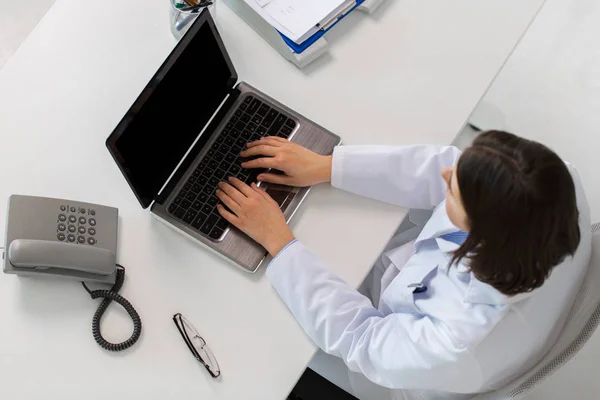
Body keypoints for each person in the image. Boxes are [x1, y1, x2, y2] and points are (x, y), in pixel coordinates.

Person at [215, 130, 592, 400]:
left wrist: (279, 244)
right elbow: (447, 167)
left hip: (390, 371)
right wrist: (329, 167)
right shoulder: (555, 185)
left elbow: (361, 339)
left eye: (453, 189)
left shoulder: (456, 338)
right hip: (409, 290)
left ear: (482, 236)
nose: (446, 173)